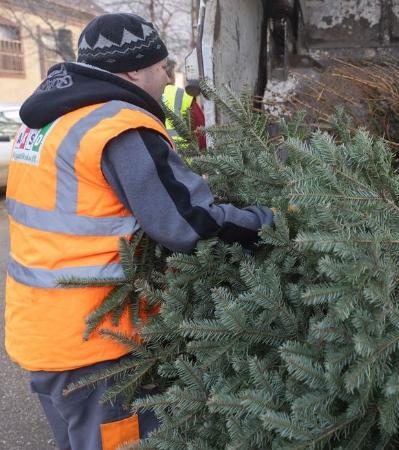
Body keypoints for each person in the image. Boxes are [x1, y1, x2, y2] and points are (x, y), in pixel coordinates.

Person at [4, 13, 273, 450]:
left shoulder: (43, 123)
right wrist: (265, 222)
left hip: (40, 331)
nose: (168, 76)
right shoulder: (119, 126)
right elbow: (186, 222)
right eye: (162, 65)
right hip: (100, 342)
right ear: (133, 69)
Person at [161, 59, 206, 150]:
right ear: (170, 76)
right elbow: (201, 130)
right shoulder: (183, 95)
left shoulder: (147, 97)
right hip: (185, 157)